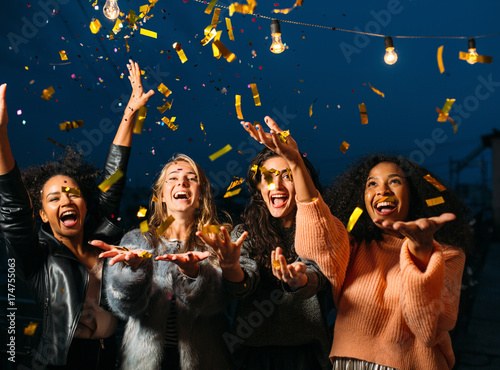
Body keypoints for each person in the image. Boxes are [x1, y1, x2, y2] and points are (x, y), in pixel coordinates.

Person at [0, 59, 154, 369]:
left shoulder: (105, 242)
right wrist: (1, 136)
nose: (66, 199)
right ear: (43, 215)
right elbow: (15, 209)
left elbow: (113, 178)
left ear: (85, 206)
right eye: (53, 198)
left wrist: (130, 113)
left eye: (72, 193)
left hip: (112, 357)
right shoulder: (37, 258)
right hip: (62, 361)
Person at [293, 150, 471, 369]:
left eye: (394, 181)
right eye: (372, 184)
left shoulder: (448, 255)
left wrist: (422, 253)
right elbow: (315, 235)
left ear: (414, 193)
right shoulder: (352, 247)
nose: (382, 190)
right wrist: (295, 164)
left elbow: (426, 329)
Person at [199, 117, 332, 369]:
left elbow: (322, 276)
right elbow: (242, 286)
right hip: (253, 355)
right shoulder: (244, 233)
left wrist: (300, 280)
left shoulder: (320, 228)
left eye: (287, 176)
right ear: (259, 186)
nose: (277, 185)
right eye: (268, 177)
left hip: (307, 355)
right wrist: (230, 266)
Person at [92, 153, 246, 369]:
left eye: (191, 178)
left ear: (200, 194)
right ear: (161, 195)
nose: (182, 181)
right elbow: (124, 307)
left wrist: (194, 274)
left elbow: (217, 304)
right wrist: (134, 273)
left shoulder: (217, 241)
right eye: (172, 178)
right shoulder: (137, 240)